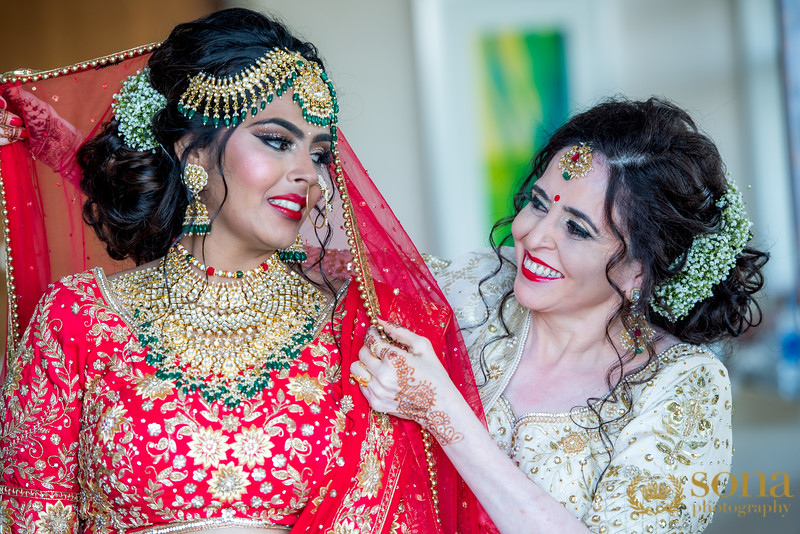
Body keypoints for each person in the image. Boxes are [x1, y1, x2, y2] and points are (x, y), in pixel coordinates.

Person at [0, 8, 490, 533]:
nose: (308, 174)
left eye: (320, 153)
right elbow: (29, 515)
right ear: (193, 151)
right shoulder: (79, 318)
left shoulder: (354, 331)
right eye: (277, 141)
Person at [351, 97, 768, 533]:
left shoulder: (683, 384)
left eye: (575, 228)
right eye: (538, 202)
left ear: (638, 272)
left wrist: (442, 411)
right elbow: (340, 269)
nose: (531, 235)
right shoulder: (475, 284)